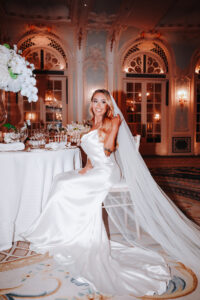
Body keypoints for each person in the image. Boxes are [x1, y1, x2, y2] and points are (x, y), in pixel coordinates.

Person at [21, 89, 200, 297]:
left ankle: (73, 234)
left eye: (102, 102)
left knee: (66, 187)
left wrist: (111, 129)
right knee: (61, 179)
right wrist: (86, 167)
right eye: (95, 101)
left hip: (107, 171)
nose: (98, 105)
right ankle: (62, 231)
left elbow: (107, 151)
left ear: (108, 105)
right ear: (91, 103)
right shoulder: (91, 122)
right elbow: (90, 153)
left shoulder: (113, 120)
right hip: (96, 168)